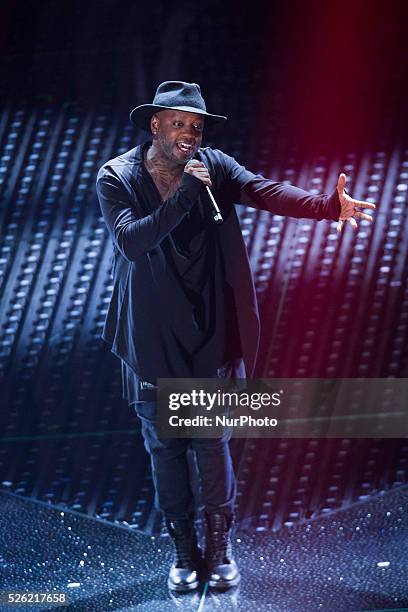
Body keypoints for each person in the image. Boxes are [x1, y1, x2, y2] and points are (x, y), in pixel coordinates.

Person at [96, 81, 375, 592]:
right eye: (179, 122)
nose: (190, 133)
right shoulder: (117, 177)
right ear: (155, 124)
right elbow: (131, 242)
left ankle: (221, 549)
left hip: (210, 332)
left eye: (197, 125)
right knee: (166, 449)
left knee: (211, 442)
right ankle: (183, 553)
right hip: (150, 337)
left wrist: (325, 206)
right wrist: (183, 195)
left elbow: (265, 190)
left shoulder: (216, 168)